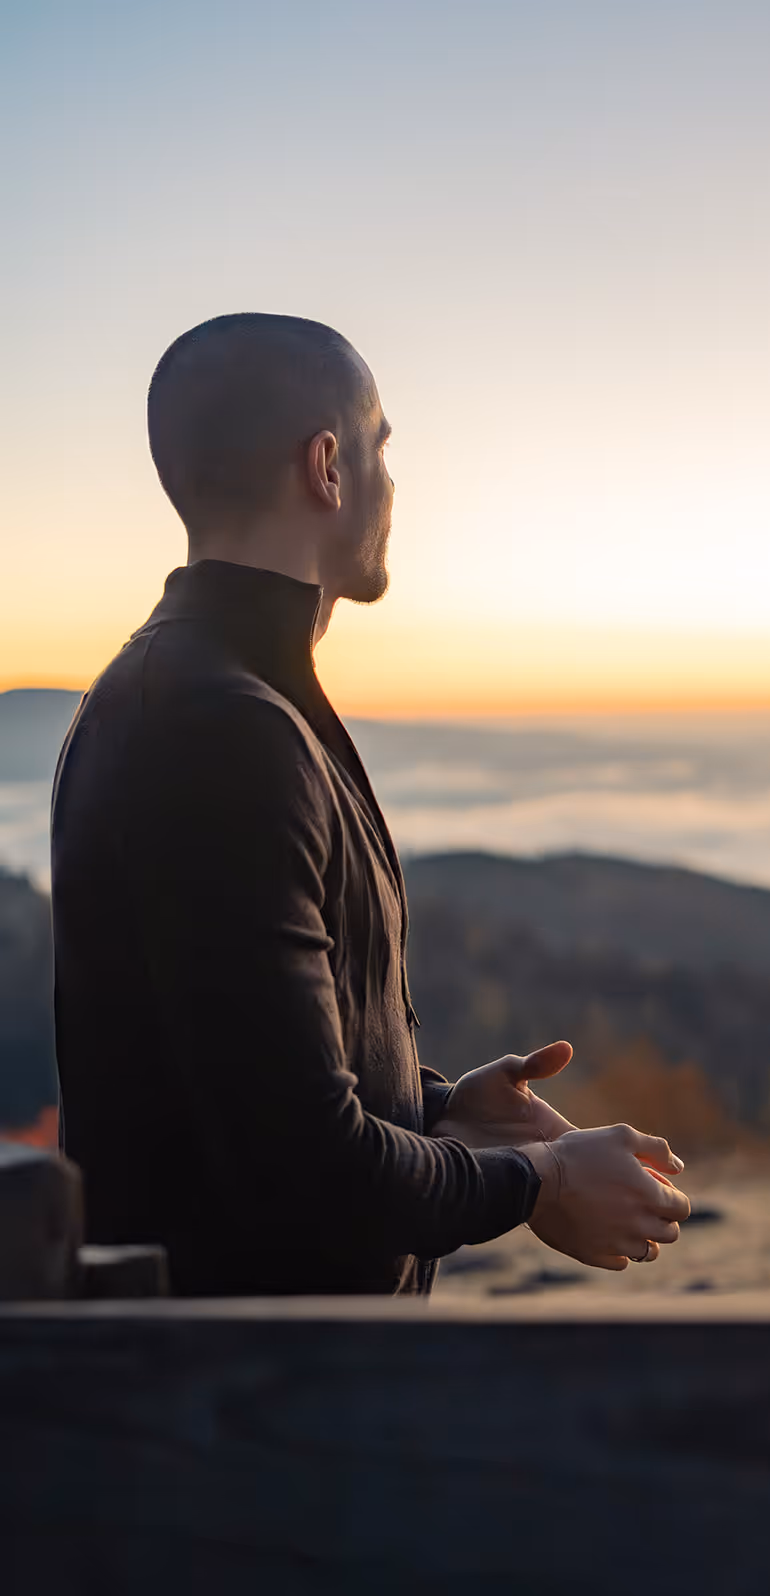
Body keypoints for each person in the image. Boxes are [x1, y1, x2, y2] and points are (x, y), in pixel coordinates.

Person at [50, 313, 690, 1296]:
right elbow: (308, 1167)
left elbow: (241, 1080)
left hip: (267, 1389)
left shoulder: (212, 698)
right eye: (379, 447)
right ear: (326, 467)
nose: (392, 486)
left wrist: (433, 1110)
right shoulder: (218, 728)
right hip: (235, 1406)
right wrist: (536, 1179)